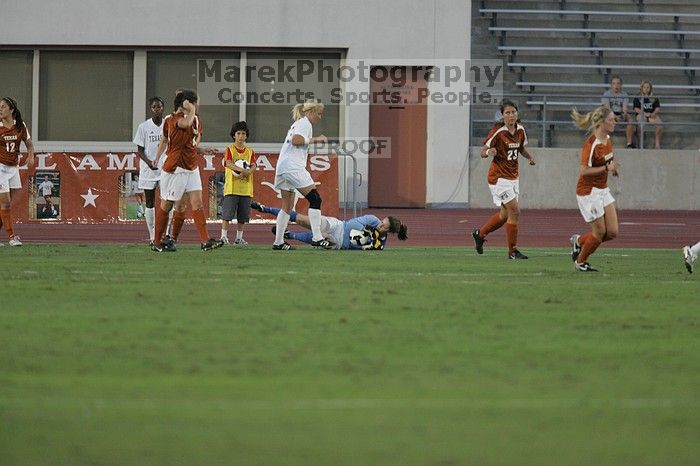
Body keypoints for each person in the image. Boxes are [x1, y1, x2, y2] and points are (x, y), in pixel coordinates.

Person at [151, 89, 223, 252]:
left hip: (191, 167)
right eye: (195, 102)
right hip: (175, 168)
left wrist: (201, 150)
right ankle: (156, 242)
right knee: (167, 205)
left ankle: (205, 241)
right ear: (187, 104)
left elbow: (189, 143)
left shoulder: (195, 120)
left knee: (197, 203)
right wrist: (157, 156)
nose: (198, 106)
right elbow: (178, 131)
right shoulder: (172, 119)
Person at [471, 99, 536, 259]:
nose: (511, 115)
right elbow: (482, 151)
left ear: (517, 113)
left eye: (513, 112)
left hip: (513, 177)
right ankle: (512, 251)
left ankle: (480, 233)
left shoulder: (520, 130)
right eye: (507, 113)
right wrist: (489, 152)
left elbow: (520, 148)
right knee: (515, 211)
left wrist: (529, 157)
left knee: (505, 215)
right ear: (502, 115)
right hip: (498, 177)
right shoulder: (498, 131)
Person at [272, 99, 332, 250]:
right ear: (311, 112)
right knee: (315, 199)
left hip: (283, 166)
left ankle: (278, 242)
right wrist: (317, 139)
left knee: (287, 205)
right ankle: (317, 237)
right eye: (318, 114)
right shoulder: (305, 123)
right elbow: (296, 140)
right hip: (293, 166)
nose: (319, 117)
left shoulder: (298, 123)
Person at [569, 106, 621, 272]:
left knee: (611, 232)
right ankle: (580, 262)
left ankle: (578, 242)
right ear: (601, 122)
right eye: (611, 119)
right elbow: (584, 171)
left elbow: (608, 160)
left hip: (602, 189)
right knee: (599, 233)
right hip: (588, 192)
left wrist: (613, 168)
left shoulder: (608, 139)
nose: (614, 122)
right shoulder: (591, 144)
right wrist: (606, 168)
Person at [251, 200, 407, 250]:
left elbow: (360, 244)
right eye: (383, 222)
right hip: (338, 226)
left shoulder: (379, 244)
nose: (381, 225)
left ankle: (288, 235)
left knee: (321, 239)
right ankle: (264, 208)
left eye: (384, 227)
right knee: (302, 220)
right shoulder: (373, 219)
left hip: (338, 243)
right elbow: (354, 227)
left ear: (389, 231)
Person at [0, 97, 35, 246]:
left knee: (4, 205)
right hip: (0, 167)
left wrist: (31, 156)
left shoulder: (20, 126)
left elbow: (29, 144)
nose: (0, 109)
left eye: (3, 107)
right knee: (6, 203)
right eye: (0, 107)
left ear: (11, 110)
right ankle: (11, 237)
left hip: (14, 168)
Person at [133, 96, 165, 244]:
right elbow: (139, 149)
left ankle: (166, 234)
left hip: (166, 170)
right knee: (150, 202)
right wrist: (148, 163)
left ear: (163, 108)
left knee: (167, 202)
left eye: (159, 106)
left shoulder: (168, 125)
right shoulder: (143, 127)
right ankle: (153, 236)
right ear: (150, 109)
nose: (157, 109)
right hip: (148, 170)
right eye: (154, 107)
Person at [220, 121, 257, 245]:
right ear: (234, 135)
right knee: (227, 214)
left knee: (243, 216)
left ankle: (239, 238)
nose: (241, 136)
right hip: (232, 188)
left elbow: (253, 165)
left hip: (246, 188)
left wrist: (248, 172)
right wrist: (241, 170)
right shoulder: (229, 149)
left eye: (243, 134)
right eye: (238, 133)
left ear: (246, 136)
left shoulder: (250, 151)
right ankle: (224, 237)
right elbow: (228, 163)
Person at [601, 75, 635, 148]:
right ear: (611, 85)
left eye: (618, 83)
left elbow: (625, 108)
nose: (616, 86)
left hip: (620, 114)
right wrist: (614, 116)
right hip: (609, 114)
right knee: (603, 118)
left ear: (621, 85)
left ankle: (629, 143)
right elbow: (607, 109)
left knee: (630, 119)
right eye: (614, 83)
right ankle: (604, 143)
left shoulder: (624, 94)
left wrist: (623, 115)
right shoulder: (606, 94)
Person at [633, 80, 662, 149]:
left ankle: (657, 144)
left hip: (651, 115)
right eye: (644, 87)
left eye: (648, 87)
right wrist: (644, 113)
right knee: (640, 122)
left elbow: (657, 108)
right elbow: (636, 109)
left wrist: (653, 113)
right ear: (642, 88)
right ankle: (640, 144)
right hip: (642, 114)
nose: (646, 89)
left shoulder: (654, 97)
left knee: (660, 125)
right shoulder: (638, 97)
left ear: (650, 88)